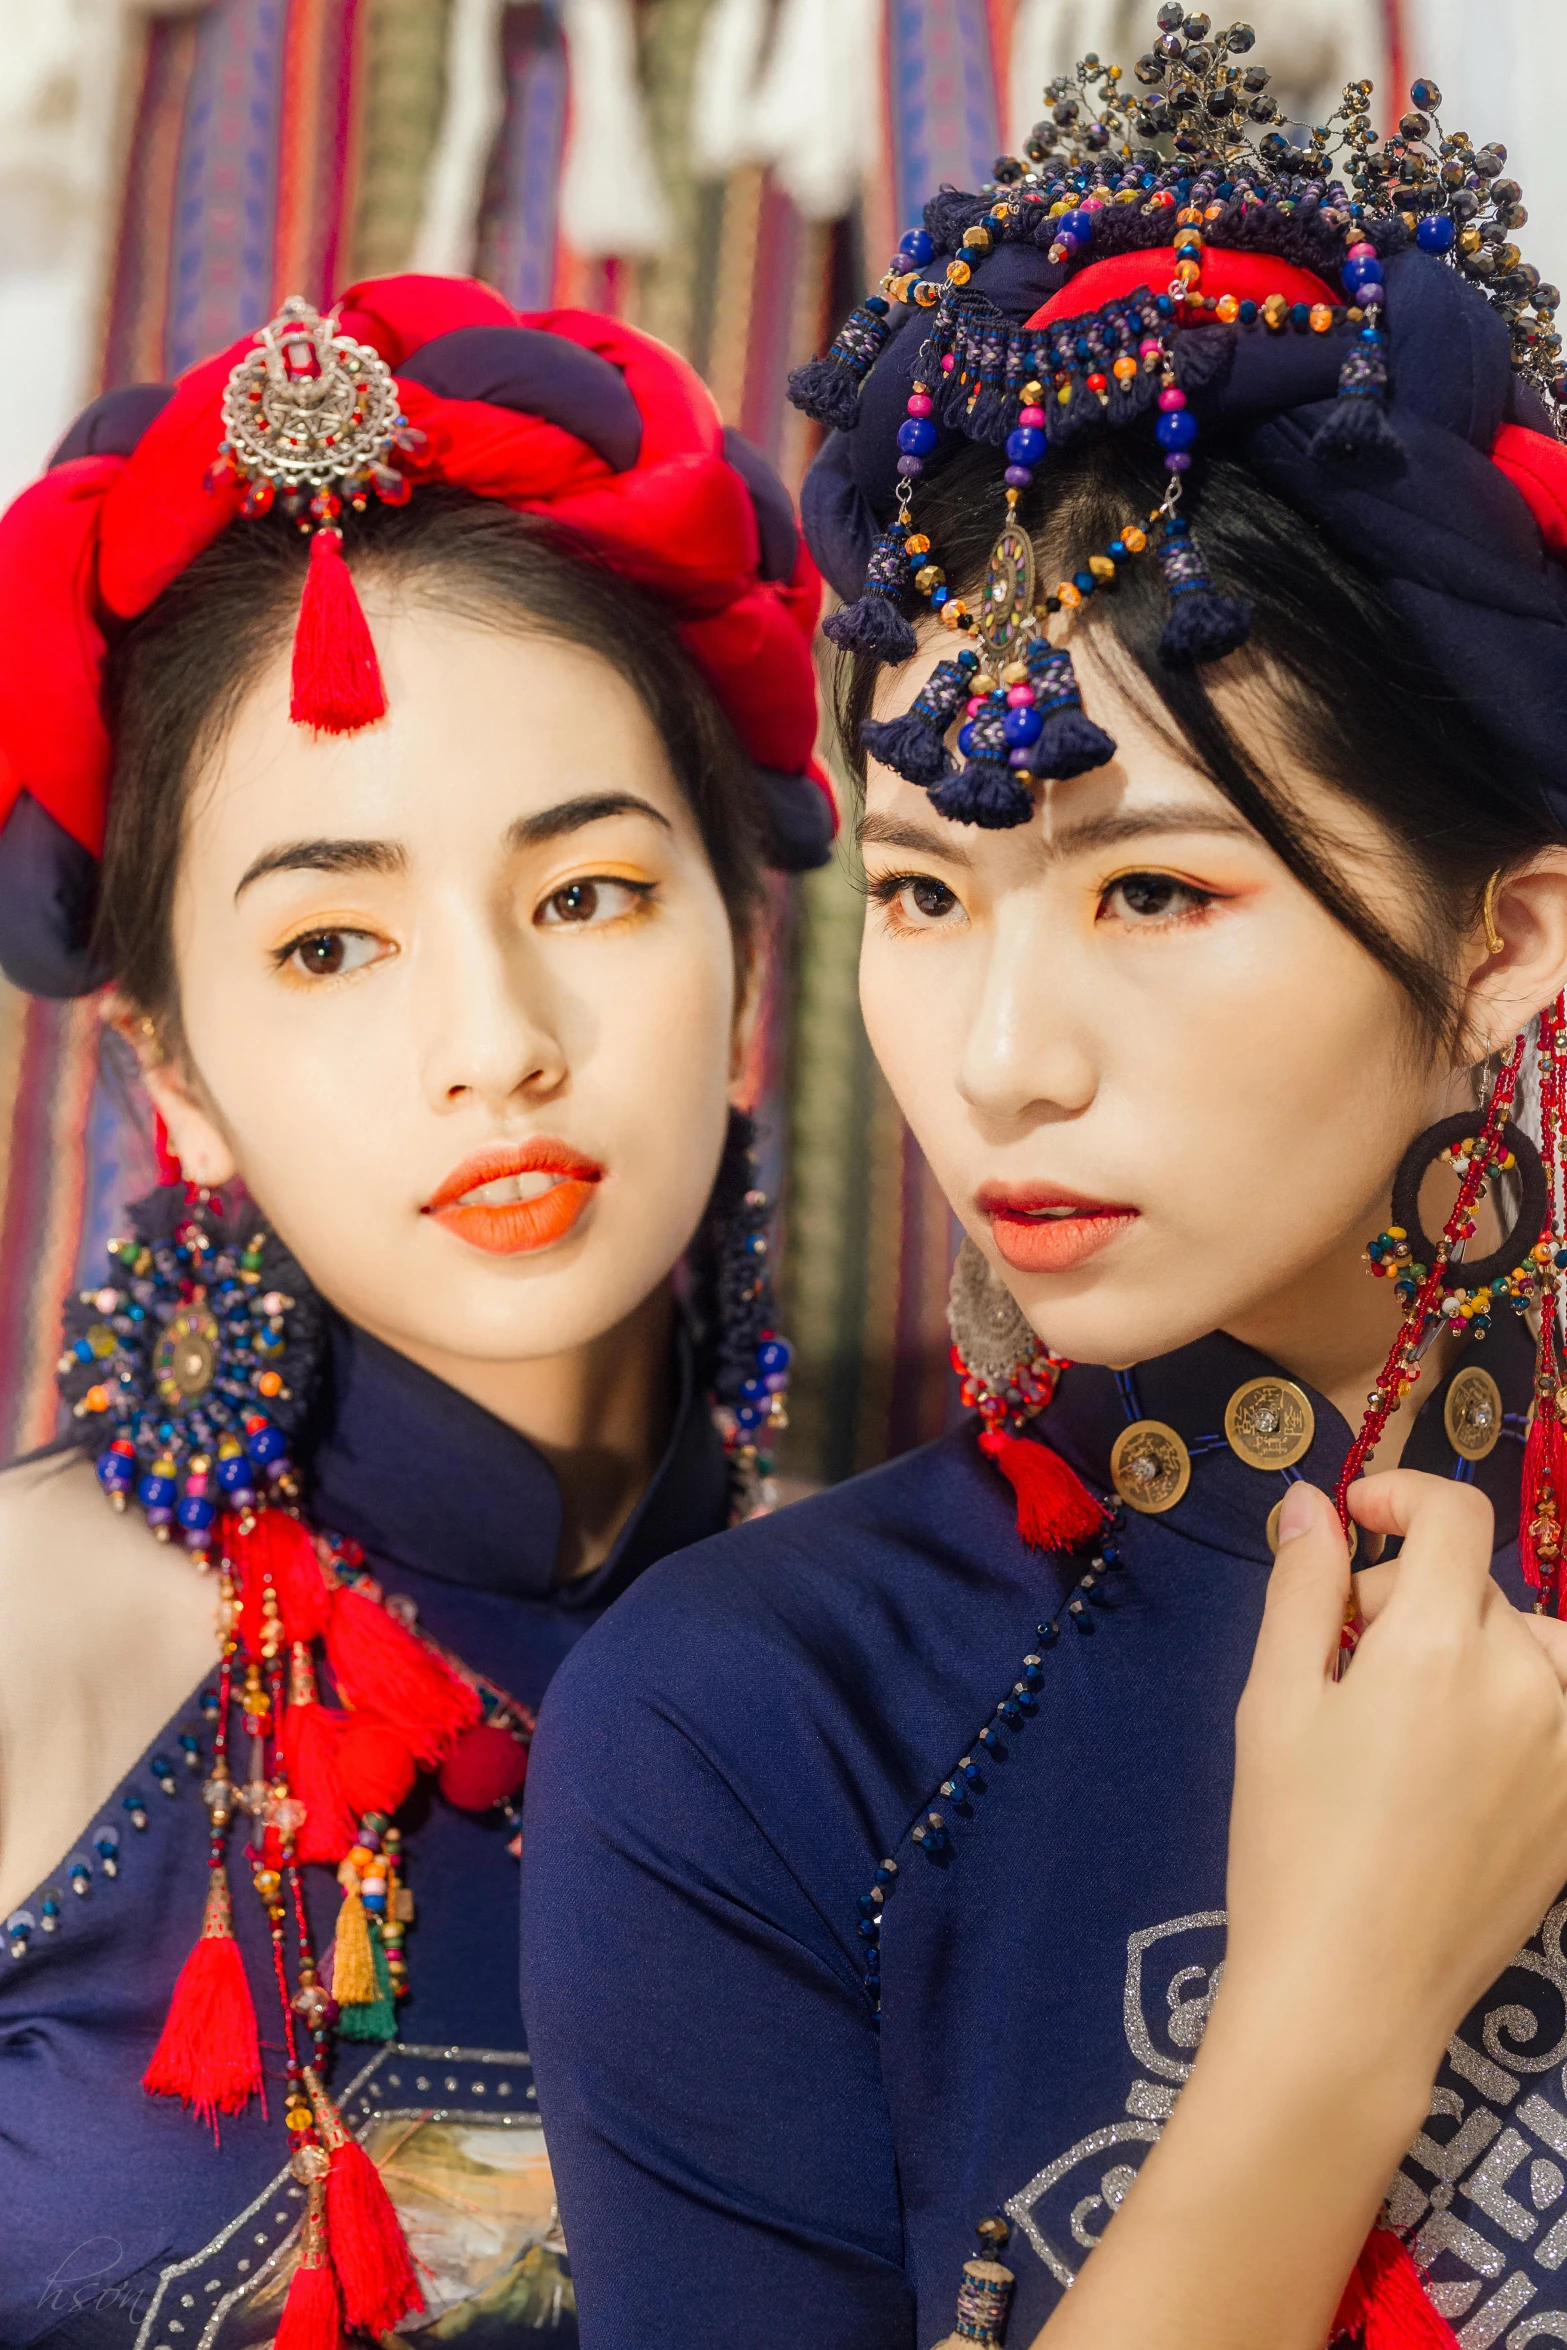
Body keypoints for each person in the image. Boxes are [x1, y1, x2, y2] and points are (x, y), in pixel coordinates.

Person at [519, 23, 1567, 2350]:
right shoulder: (754, 1729)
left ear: (1504, 938)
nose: (999, 1061)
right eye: (921, 892)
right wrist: (1333, 2011)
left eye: (1156, 892)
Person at [0, 275, 826, 2345]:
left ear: (744, 951)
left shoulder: (901, 1650)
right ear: (173, 1073)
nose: (498, 1042)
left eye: (586, 896)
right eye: (332, 943)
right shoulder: (26, 1643)